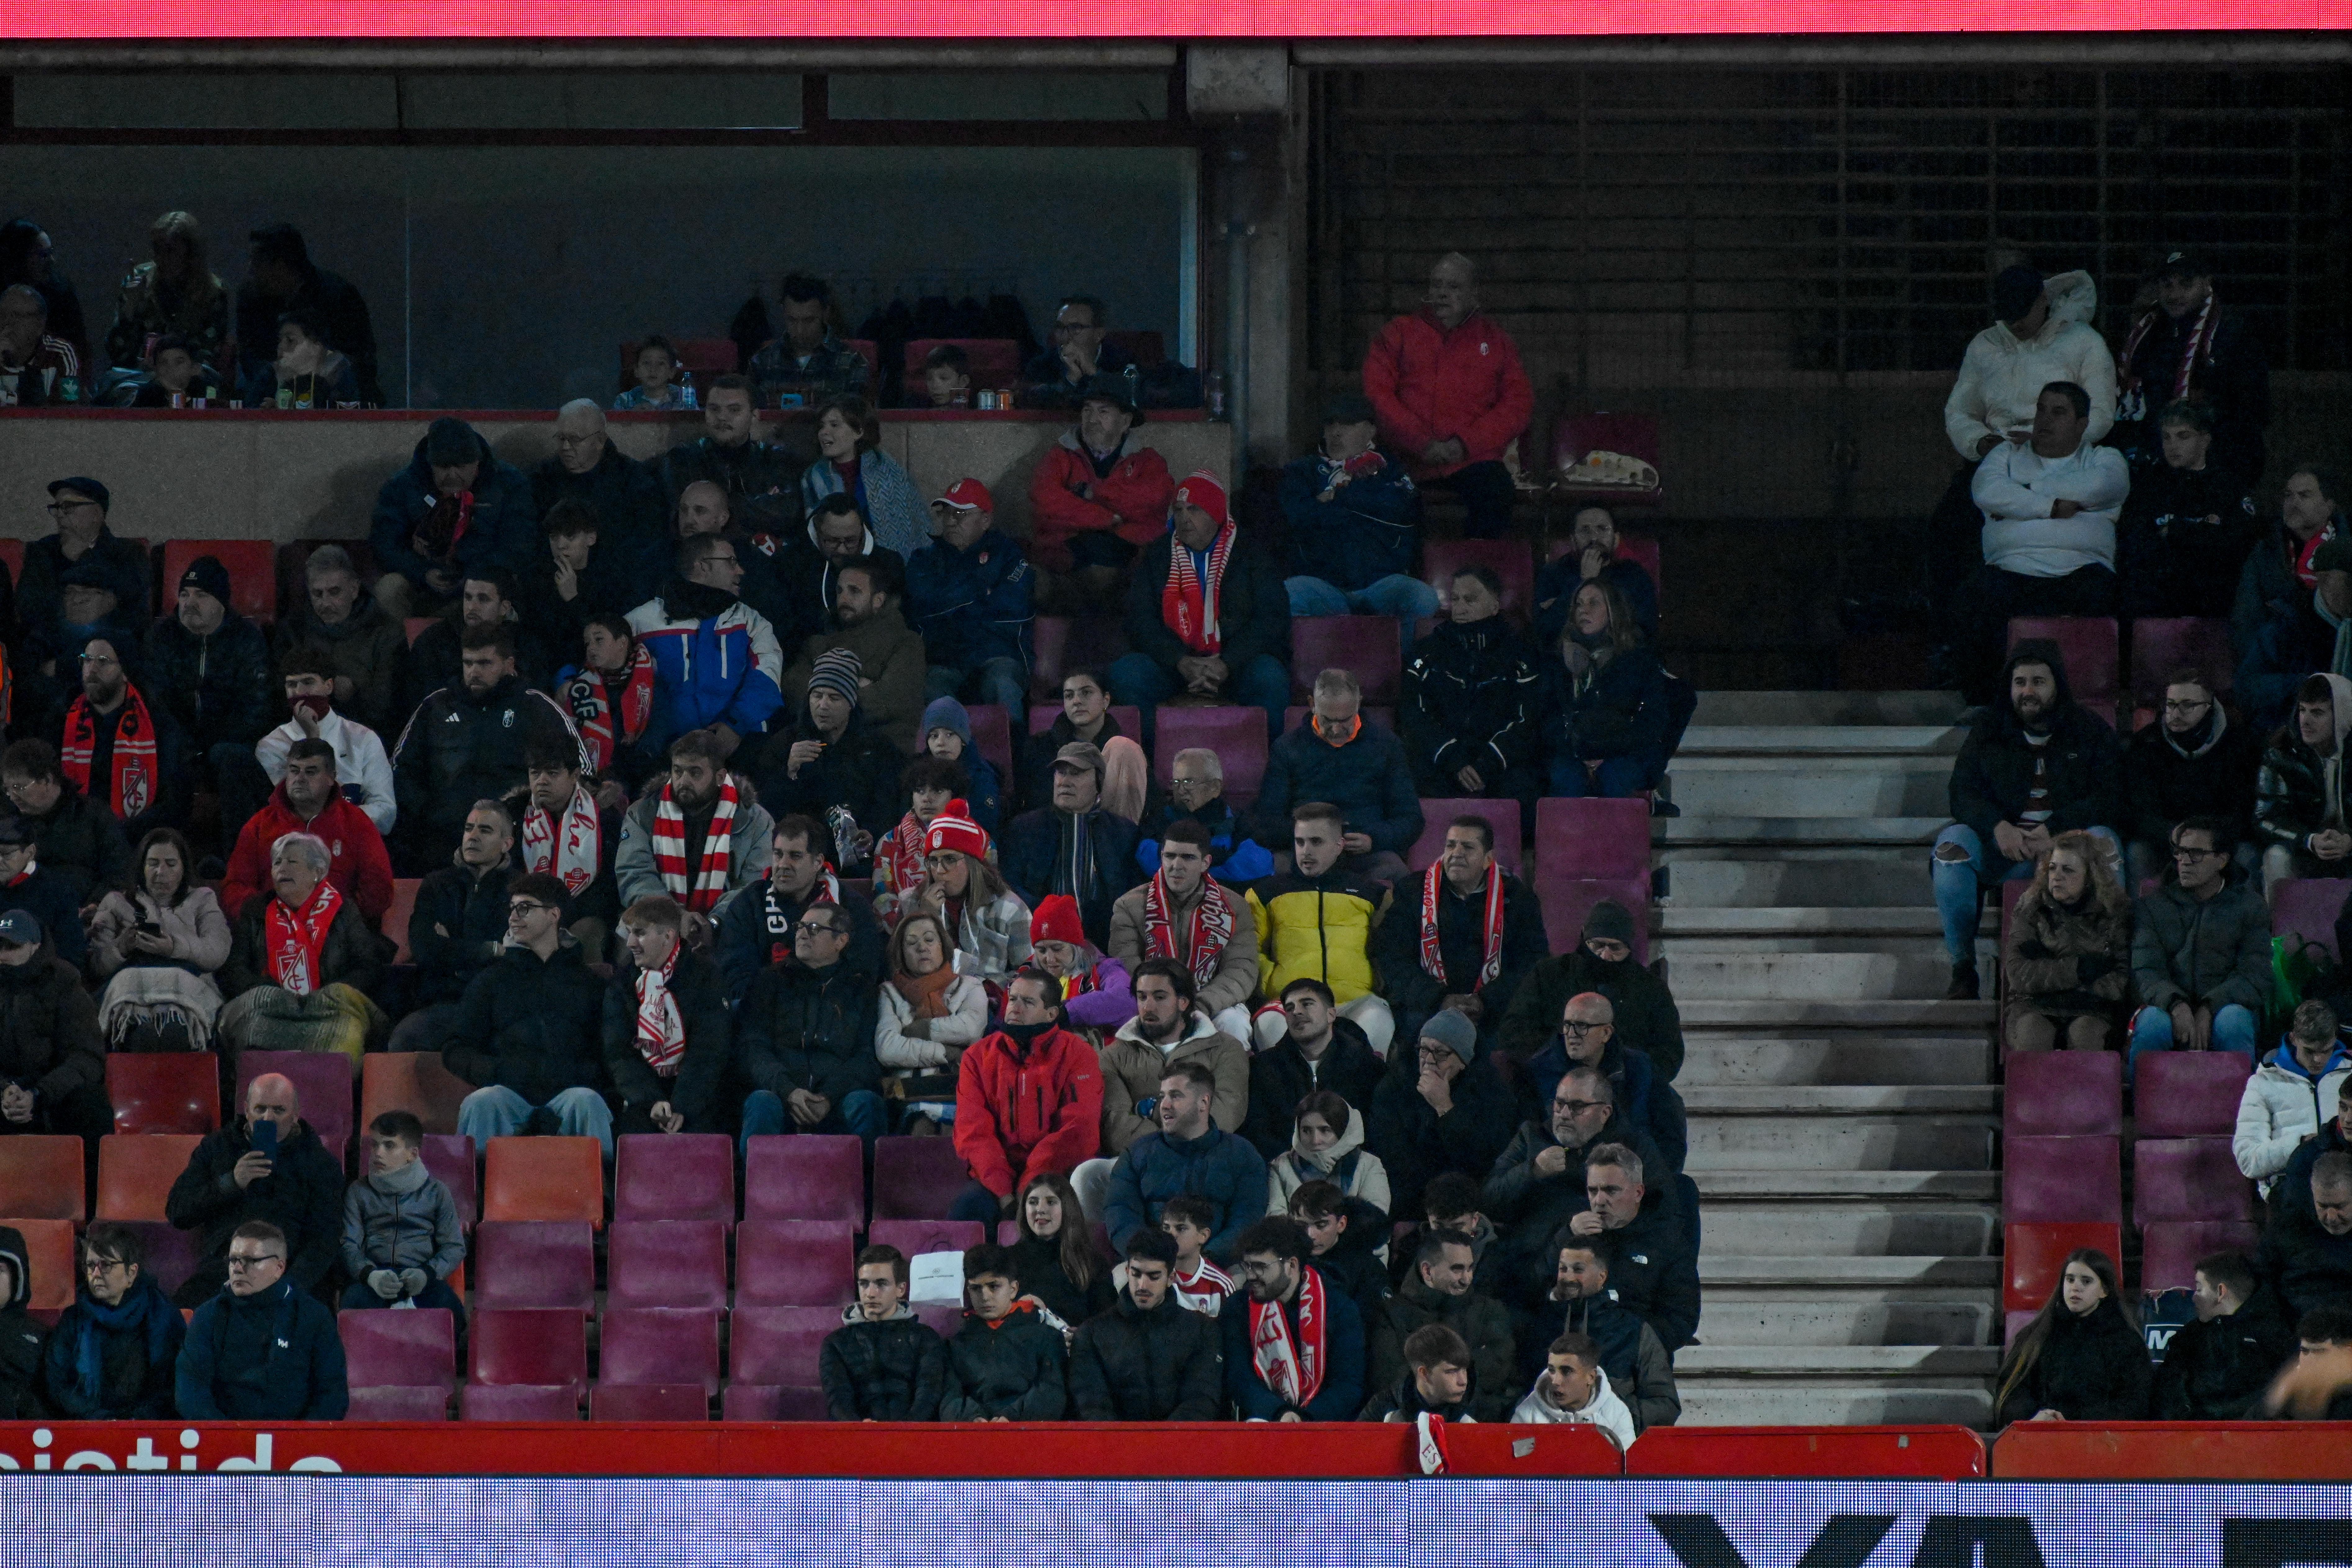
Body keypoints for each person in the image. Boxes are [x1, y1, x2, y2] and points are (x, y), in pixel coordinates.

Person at [1928, 265, 2114, 635]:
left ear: (2042, 301)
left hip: (2063, 463)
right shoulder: (1985, 345)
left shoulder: (2083, 342)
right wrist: (1981, 442)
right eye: (2007, 316)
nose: (2015, 324)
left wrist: (2049, 444)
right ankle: (1951, 642)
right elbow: (1960, 410)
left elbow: (2101, 414)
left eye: (2022, 313)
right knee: (1947, 531)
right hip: (1998, 460)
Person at [1933, 641, 2124, 1001]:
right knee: (1951, 844)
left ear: (2057, 685)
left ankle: (2111, 963)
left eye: (2038, 681)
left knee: (2104, 840)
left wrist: (2056, 832)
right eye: (2019, 682)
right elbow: (1961, 792)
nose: (2027, 691)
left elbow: (2112, 796)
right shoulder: (1988, 729)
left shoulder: (2089, 729)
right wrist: (1996, 825)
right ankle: (1962, 967)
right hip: (2003, 850)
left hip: (2068, 852)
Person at [1947, 382, 2133, 705]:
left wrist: (2022, 492)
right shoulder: (2006, 454)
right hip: (2010, 569)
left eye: (2058, 412)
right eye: (2041, 410)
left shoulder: (2103, 458)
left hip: (2080, 571)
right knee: (1972, 599)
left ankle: (2098, 704)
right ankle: (1984, 706)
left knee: (2120, 597)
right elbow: (1987, 492)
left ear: (2081, 424)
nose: (2044, 419)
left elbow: (2104, 485)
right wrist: (2050, 507)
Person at [1108, 471, 1292, 741]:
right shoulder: (1158, 555)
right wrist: (1179, 661)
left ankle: (1270, 768)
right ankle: (1145, 769)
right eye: (1178, 510)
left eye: (1193, 509)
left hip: (1237, 662)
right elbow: (1139, 619)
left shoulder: (1252, 554)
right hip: (1175, 663)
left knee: (1270, 679)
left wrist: (1227, 663)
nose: (1183, 518)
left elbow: (1272, 619)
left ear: (1216, 513)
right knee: (1128, 675)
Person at [1361, 253, 1533, 539]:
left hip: (1471, 458)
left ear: (1474, 294)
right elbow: (1377, 394)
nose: (1442, 294)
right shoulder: (1397, 334)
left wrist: (1467, 444)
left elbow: (1517, 403)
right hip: (1406, 456)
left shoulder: (1496, 341)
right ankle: (1406, 579)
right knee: (1386, 502)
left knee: (1496, 492)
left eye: (1453, 287)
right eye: (1437, 285)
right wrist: (1419, 441)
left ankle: (1476, 576)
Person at [391, 624, 586, 872]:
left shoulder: (535, 705)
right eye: (468, 663)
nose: (474, 671)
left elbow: (579, 764)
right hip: (443, 836)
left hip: (516, 837)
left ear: (508, 664)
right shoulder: (436, 706)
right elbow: (400, 766)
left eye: (485, 663)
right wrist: (429, 811)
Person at [444, 877, 612, 1155]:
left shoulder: (589, 983)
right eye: (511, 908)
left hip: (569, 1093)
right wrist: (497, 1071)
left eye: (524, 908)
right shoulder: (491, 980)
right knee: (482, 1102)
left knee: (588, 1101)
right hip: (509, 1093)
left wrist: (581, 1073)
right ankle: (476, 1197)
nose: (513, 917)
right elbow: (456, 1047)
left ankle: (601, 1196)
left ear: (554, 914)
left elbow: (609, 1050)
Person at [1482, 1063, 1669, 1299]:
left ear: (1604, 1113)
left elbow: (1662, 1208)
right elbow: (1489, 1198)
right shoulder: (1531, 1137)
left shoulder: (1634, 1147)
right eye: (1559, 1104)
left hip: (1608, 1265)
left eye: (1577, 1106)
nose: (1564, 1114)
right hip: (1532, 1271)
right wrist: (1532, 1171)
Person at [163, 1074, 342, 1306]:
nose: (268, 1118)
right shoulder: (217, 1147)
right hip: (226, 1268)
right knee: (179, 1316)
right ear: (247, 1111)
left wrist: (287, 1286)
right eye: (260, 1109)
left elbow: (324, 1240)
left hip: (288, 1271)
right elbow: (178, 1211)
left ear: (296, 1115)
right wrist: (231, 1183)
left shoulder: (319, 1162)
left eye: (279, 1110)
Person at [217, 832, 390, 1070]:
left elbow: (368, 967)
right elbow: (235, 969)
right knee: (250, 1031)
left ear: (317, 872)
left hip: (329, 1010)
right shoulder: (256, 911)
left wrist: (327, 995)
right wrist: (269, 993)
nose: (282, 868)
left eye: (292, 862)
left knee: (345, 1037)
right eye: (277, 862)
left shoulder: (344, 911)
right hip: (271, 1010)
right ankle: (261, 1102)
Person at [1280, 391, 1436, 650]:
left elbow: (1400, 509)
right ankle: (1309, 680)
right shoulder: (1302, 471)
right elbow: (1298, 517)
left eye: (1348, 424)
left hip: (1381, 584)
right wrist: (1364, 500)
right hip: (1325, 586)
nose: (1337, 433)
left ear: (1370, 430)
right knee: (1289, 593)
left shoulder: (1390, 469)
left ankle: (1403, 678)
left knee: (1423, 598)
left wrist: (1335, 496)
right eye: (1331, 424)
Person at [1377, 814, 1547, 1051]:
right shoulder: (1413, 892)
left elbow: (1532, 961)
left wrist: (1486, 1000)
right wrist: (1438, 999)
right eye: (1450, 845)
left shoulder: (1518, 898)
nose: (1456, 853)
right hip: (1426, 1008)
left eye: (1467, 847)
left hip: (1493, 1011)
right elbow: (1391, 956)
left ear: (1488, 859)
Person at [2122, 811, 2271, 1082]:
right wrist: (2176, 1004)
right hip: (2166, 1004)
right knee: (2154, 1023)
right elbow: (2145, 970)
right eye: (2180, 853)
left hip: (2226, 1005)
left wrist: (2209, 1006)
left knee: (2233, 1021)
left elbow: (2255, 974)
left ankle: (2243, 1111)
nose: (2184, 862)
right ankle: (2138, 1111)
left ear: (2222, 860)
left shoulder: (2250, 907)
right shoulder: (2153, 906)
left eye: (2196, 854)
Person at [948, 969, 1101, 1225]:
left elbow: (1078, 1129)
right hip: (996, 1178)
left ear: (1051, 1014)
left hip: (1056, 1174)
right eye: (1013, 998)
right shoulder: (977, 1057)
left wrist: (1029, 1188)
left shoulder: (1078, 1054)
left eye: (1028, 1002)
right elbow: (973, 1131)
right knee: (967, 1213)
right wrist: (1005, 1193)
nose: (1015, 1008)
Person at [1248, 803, 1397, 1055]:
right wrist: (1271, 981)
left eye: (1316, 842)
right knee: (1269, 1026)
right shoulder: (1264, 894)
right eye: (1300, 842)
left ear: (1339, 845)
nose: (1306, 851)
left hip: (1355, 1000)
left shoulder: (1374, 895)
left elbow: (1391, 950)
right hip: (1290, 1001)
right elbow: (1250, 949)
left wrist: (1376, 980)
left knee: (1379, 1022)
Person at [1253, 669, 1423, 885]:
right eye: (1327, 719)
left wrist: (1373, 839)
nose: (1335, 729)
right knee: (1272, 870)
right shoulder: (1287, 748)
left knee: (1396, 872)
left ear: (1359, 704)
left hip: (1365, 853)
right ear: (1312, 704)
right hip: (1305, 852)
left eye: (1345, 720)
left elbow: (1411, 819)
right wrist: (1311, 837)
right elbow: (1267, 819)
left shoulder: (1387, 746)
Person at [2116, 249, 2270, 486]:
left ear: (2206, 283)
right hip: (2158, 462)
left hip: (2220, 461)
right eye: (2167, 285)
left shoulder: (2233, 333)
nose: (2175, 294)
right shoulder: (2147, 333)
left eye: (2186, 284)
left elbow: (2256, 409)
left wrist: (2204, 419)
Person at [626, 533, 788, 758]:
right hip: (661, 756)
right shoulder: (640, 623)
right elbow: (603, 668)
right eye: (731, 561)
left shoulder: (751, 622)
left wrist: (735, 725)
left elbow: (767, 678)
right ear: (702, 567)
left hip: (739, 751)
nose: (740, 570)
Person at [739, 896, 886, 1144]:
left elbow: (866, 1057)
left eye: (815, 929)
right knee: (761, 1103)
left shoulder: (861, 988)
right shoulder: (769, 982)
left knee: (865, 1104)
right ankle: (752, 1183)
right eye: (800, 927)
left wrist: (828, 1097)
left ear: (841, 941)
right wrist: (788, 1091)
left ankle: (871, 1183)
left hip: (838, 1098)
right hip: (783, 1095)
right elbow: (753, 1047)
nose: (802, 934)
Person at [174, 1219, 347, 1421]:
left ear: (279, 1267)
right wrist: (230, 1438)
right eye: (233, 1259)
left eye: (251, 1260)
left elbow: (332, 1395)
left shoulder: (314, 1317)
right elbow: (190, 1392)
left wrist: (299, 1440)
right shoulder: (209, 1316)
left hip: (295, 1444)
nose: (238, 1268)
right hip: (226, 1443)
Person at [368, 415, 537, 620]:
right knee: (389, 589)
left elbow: (519, 545)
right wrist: (422, 572)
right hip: (423, 581)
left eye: (461, 466)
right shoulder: (403, 486)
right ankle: (406, 647)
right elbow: (385, 543)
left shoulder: (509, 485)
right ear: (430, 463)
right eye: (444, 467)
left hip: (483, 580)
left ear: (477, 462)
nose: (453, 475)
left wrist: (470, 576)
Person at [616, 729, 778, 944]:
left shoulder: (755, 821)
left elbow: (753, 884)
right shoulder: (642, 813)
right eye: (678, 771)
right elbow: (634, 874)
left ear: (720, 777)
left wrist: (713, 922)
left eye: (695, 773)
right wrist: (675, 916)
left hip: (727, 923)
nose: (683, 781)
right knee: (627, 937)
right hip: (656, 920)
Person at [1109, 818, 1261, 1046]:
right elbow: (1126, 966)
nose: (1176, 865)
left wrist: (1199, 1005)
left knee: (1234, 1024)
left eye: (1188, 857)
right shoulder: (1129, 905)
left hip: (1212, 1000)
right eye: (1169, 856)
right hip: (1150, 1000)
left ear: (1205, 862)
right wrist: (1163, 1001)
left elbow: (1242, 970)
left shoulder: (1234, 907)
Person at [1098, 1059, 1267, 1259]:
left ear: (1203, 1102)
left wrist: (1202, 1262)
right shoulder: (1136, 1154)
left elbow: (1247, 1220)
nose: (1164, 1106)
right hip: (1149, 1265)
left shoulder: (1242, 1155)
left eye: (1176, 1096)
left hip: (1220, 1266)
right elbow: (1121, 1214)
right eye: (1162, 1097)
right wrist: (1151, 1257)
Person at [141, 554, 275, 805]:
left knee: (232, 758)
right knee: (168, 751)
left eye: (201, 595)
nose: (189, 602)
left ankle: (237, 844)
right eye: (184, 595)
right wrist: (187, 745)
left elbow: (256, 708)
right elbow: (156, 702)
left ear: (222, 603)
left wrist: (211, 745)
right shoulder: (161, 637)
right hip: (178, 742)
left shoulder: (247, 640)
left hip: (228, 742)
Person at [1500, 899, 1683, 1082]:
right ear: (1584, 939)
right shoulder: (1549, 975)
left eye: (1615, 948)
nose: (1605, 955)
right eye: (1597, 946)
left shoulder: (1651, 990)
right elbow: (1516, 1031)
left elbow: (1669, 1052)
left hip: (1625, 1088)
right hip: (1552, 1082)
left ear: (1629, 948)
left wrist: (1624, 1073)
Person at [220, 738, 395, 927]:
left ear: (331, 777)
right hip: (271, 932)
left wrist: (337, 919)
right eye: (294, 770)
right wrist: (272, 917)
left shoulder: (357, 824)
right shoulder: (260, 825)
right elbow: (235, 888)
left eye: (311, 772)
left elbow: (379, 891)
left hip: (338, 935)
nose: (300, 779)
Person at [1515, 1234, 1680, 1434]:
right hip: (1541, 1448)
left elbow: (1664, 1401)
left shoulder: (1633, 1331)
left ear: (1602, 1277)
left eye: (1578, 1270)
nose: (1568, 1278)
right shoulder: (1536, 1326)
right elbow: (1513, 1387)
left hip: (1612, 1449)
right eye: (1563, 1269)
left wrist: (1617, 1419)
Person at [1027, 376, 1174, 599]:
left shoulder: (1148, 462)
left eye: (1103, 412)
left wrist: (1090, 494)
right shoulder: (1059, 457)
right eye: (1087, 411)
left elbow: (1150, 502)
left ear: (1125, 422)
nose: (1092, 420)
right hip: (1069, 557)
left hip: (1129, 558)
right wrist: (1107, 518)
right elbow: (1045, 502)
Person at [386, 799, 515, 1053]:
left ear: (506, 844)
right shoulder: (436, 884)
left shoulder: (519, 889)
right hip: (443, 1001)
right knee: (403, 1040)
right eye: (469, 828)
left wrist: (451, 945)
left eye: (485, 830)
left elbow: (514, 956)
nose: (473, 837)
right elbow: (425, 949)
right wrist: (491, 949)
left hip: (496, 1004)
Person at [87, 827, 231, 1053]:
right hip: (130, 996)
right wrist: (122, 947)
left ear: (184, 868)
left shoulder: (203, 899)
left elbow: (217, 952)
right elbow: (96, 965)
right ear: (141, 867)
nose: (160, 872)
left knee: (173, 1031)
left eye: (171, 864)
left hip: (186, 997)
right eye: (153, 863)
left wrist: (173, 947)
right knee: (137, 1033)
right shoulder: (115, 902)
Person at [713, 813, 884, 1004]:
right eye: (778, 854)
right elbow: (735, 977)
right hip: (765, 1018)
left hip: (833, 1018)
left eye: (795, 856)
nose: (783, 865)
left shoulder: (852, 906)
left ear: (818, 862)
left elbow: (865, 974)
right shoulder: (748, 904)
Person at [1366, 1010, 1517, 1224]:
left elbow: (1485, 1160)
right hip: (1409, 1201)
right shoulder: (1393, 1089)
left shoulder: (1492, 1095)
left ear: (1464, 1060)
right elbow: (1392, 1156)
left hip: (1468, 1200)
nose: (1428, 1060)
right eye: (1423, 1049)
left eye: (1440, 1053)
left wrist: (1445, 1108)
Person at [1404, 567, 1541, 803]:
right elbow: (1412, 713)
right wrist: (1451, 757)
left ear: (1494, 606)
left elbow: (1528, 720)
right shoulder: (1426, 652)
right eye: (1455, 599)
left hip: (1499, 764)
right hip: (1442, 761)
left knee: (1525, 786)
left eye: (1470, 599)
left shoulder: (1521, 654)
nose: (1460, 607)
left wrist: (1488, 762)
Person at [2117, 401, 2263, 620]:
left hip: (2215, 599)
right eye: (2166, 437)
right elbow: (2133, 542)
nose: (2172, 445)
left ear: (2205, 440)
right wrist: (2201, 532)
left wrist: (2174, 531)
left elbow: (2238, 545)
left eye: (2183, 436)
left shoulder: (2228, 487)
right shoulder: (2148, 486)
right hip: (2156, 599)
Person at [604, 893, 734, 1137]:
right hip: (644, 1100)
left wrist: (683, 1107)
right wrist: (651, 1101)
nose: (631, 943)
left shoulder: (706, 977)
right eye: (629, 933)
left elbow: (710, 1050)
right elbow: (619, 1053)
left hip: (697, 1100)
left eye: (640, 933)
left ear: (668, 936)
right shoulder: (622, 984)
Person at [905, 478, 1034, 724]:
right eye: (947, 513)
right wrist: (982, 591)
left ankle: (1016, 759)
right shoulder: (923, 559)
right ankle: (939, 762)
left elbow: (1012, 608)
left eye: (961, 513)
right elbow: (924, 606)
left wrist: (951, 603)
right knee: (932, 689)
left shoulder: (1010, 556)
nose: (951, 520)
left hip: (997, 654)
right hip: (945, 658)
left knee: (1002, 684)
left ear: (986, 520)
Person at [1095, 957, 1248, 1160]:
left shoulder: (1226, 1048)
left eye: (1159, 997)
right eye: (1142, 997)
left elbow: (1226, 1114)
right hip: (1141, 1160)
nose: (1148, 1007)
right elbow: (1116, 1125)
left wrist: (1151, 1110)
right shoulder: (1112, 1056)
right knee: (1087, 1173)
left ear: (1183, 1002)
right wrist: (1165, 1150)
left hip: (1206, 1158)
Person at [779, 556, 928, 758]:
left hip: (882, 754)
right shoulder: (818, 644)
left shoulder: (906, 643)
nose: (844, 599)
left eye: (854, 591)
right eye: (840, 591)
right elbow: (793, 689)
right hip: (820, 750)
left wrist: (825, 695)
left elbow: (894, 700)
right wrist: (854, 685)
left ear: (878, 600)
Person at [1066, 1228, 1224, 1419]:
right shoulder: (1091, 1334)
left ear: (1171, 1278)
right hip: (1113, 1445)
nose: (1143, 1286)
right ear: (1127, 1272)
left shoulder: (1202, 1331)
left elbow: (1200, 1400)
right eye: (1136, 1274)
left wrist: (1162, 1446)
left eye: (1154, 1277)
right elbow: (1092, 1405)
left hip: (1179, 1445)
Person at [1223, 1215, 1367, 1422]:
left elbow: (1348, 1384)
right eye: (1247, 1266)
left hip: (1323, 1424)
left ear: (1291, 1265)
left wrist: (1306, 1418)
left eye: (1260, 1267)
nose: (1251, 1276)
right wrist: (1278, 1412)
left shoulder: (1339, 1308)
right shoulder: (1238, 1308)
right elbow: (1239, 1377)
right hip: (1264, 1420)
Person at [761, 648, 905, 855]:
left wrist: (873, 833)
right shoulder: (785, 744)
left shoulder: (877, 748)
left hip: (859, 856)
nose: (823, 705)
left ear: (851, 703)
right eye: (817, 696)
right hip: (800, 855)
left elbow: (888, 803)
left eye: (834, 698)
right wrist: (790, 772)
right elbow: (767, 811)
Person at [1542, 580, 1676, 800]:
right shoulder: (1557, 661)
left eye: (1594, 603)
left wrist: (1606, 752)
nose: (1584, 610)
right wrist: (1577, 751)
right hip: (1571, 751)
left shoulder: (1637, 660)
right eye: (1578, 604)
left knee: (1616, 777)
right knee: (1564, 778)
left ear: (1613, 611)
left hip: (1623, 751)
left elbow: (1653, 717)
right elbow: (1547, 714)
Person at [2123, 672, 2259, 887]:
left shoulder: (2240, 744)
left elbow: (2243, 811)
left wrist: (2207, 840)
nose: (2176, 713)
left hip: (2220, 842)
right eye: (2170, 705)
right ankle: (2143, 920)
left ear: (2209, 706)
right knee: (2137, 853)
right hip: (2166, 840)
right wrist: (2174, 835)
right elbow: (2139, 812)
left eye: (2187, 705)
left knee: (2247, 856)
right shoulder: (2146, 744)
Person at [2004, 830, 2133, 1055]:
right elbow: (2018, 973)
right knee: (2032, 1035)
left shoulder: (2113, 911)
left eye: (2068, 870)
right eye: (2052, 868)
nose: (2056, 876)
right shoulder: (2030, 908)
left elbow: (2120, 978)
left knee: (2087, 1036)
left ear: (2090, 876)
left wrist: (2049, 966)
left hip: (2094, 1008)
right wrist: (2080, 970)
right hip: (2034, 1006)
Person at [1001, 742, 1141, 948]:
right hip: (1040, 938)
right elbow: (1009, 884)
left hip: (1104, 943)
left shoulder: (1123, 833)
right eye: (1060, 772)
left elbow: (1132, 895)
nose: (1064, 781)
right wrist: (1047, 913)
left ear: (1098, 782)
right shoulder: (1024, 828)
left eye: (1076, 773)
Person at [1366, 1227, 1515, 1421]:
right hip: (1409, 1426)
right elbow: (1389, 1377)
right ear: (1428, 1271)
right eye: (1457, 1269)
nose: (1467, 1279)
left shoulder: (1490, 1311)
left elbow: (1499, 1370)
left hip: (1478, 1423)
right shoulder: (1392, 1314)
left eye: (1470, 1268)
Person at [39, 1222, 184, 1419]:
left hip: (148, 1429)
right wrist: (99, 1418)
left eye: (106, 1265)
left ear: (131, 1272)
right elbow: (58, 1382)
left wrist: (134, 1421)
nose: (96, 1275)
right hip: (86, 1426)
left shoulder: (163, 1316)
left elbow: (172, 1383)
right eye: (91, 1266)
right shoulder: (74, 1319)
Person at [1993, 1246, 2151, 1424]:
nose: (2076, 1288)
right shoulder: (2036, 1335)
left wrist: (2073, 1421)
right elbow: (2010, 1393)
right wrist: (2034, 1418)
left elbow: (2135, 1405)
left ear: (2104, 1291)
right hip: (2041, 1439)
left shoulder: (2127, 1342)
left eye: (2086, 1282)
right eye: (2070, 1280)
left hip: (2102, 1443)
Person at [255, 647, 397, 838]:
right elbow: (299, 808)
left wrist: (337, 824)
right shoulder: (272, 746)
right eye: (292, 685)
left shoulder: (363, 738)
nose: (299, 693)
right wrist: (313, 739)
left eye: (308, 683)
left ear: (329, 687)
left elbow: (385, 810)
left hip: (354, 842)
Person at [56, 634, 187, 840]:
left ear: (125, 672)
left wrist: (119, 833)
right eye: (87, 660)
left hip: (134, 838)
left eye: (103, 662)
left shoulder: (158, 723)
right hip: (71, 836)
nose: (91, 671)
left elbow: (172, 802)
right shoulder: (61, 717)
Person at [270, 544, 409, 739]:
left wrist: (354, 696)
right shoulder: (293, 631)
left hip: (363, 738)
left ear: (354, 590)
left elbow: (391, 707)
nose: (325, 603)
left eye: (334, 592)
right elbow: (277, 695)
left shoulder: (387, 634)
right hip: (302, 736)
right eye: (317, 594)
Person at [338, 1110, 466, 1322]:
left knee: (452, 1313)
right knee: (352, 1305)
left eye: (389, 1146)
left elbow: (454, 1246)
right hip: (375, 1276)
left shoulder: (436, 1191)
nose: (378, 1153)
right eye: (375, 1144)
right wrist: (370, 1275)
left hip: (422, 1276)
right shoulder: (358, 1191)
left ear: (412, 1154)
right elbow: (348, 1244)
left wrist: (427, 1274)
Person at [529, 400, 668, 593]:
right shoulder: (541, 479)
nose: (566, 447)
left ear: (600, 441)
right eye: (561, 439)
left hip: (617, 589)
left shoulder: (635, 483)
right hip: (551, 587)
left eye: (575, 440)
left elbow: (649, 547)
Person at [0, 907, 109, 1153]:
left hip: (54, 1096)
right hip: (6, 1094)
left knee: (90, 1104)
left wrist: (39, 1094)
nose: (3, 956)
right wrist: (5, 1091)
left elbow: (87, 1057)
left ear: (35, 946)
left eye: (12, 947)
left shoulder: (64, 983)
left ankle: (92, 1190)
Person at [1242, 978, 1387, 1158]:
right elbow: (1259, 1133)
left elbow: (1380, 1133)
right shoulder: (1262, 1069)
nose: (1296, 1012)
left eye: (1307, 1004)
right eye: (1289, 1008)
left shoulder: (1368, 1068)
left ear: (1331, 1015)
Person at [236, 223, 379, 404]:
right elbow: (251, 357)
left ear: (281, 265)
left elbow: (359, 362)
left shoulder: (338, 296)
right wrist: (277, 388)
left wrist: (314, 389)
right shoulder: (252, 298)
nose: (250, 270)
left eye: (257, 262)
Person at [2153, 1250, 2297, 1420]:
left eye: (2199, 1289)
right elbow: (2167, 1391)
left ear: (2221, 1292)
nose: (2194, 1298)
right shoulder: (2188, 1338)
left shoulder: (2274, 1335)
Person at [876, 911, 988, 1127]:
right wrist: (947, 1052)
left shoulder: (970, 986)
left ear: (942, 946)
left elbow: (970, 1030)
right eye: (911, 943)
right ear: (901, 952)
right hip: (908, 1090)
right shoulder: (889, 991)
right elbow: (887, 1049)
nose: (922, 947)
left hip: (961, 1086)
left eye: (929, 939)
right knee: (923, 1125)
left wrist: (922, 1029)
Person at [400, 563, 555, 720]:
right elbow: (423, 704)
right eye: (468, 598)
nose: (472, 607)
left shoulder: (526, 643)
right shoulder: (434, 641)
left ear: (504, 608)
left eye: (483, 599)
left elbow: (539, 700)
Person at [938, 1242, 1069, 1420]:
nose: (985, 1297)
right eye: (976, 1288)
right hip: (974, 1435)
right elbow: (950, 1397)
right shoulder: (956, 1345)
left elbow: (1051, 1392)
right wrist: (972, 1418)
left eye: (994, 1286)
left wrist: (1011, 1418)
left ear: (1013, 1289)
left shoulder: (1046, 1337)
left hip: (1029, 1433)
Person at [660, 373, 802, 536]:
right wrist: (759, 504)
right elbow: (680, 521)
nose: (722, 417)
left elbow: (786, 515)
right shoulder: (683, 459)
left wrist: (715, 510)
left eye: (734, 410)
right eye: (714, 409)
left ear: (754, 416)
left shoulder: (777, 459)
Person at [906, 803, 1032, 985]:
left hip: (992, 1005)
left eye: (950, 859)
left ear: (974, 864)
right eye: (933, 861)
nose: (940, 870)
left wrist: (988, 990)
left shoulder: (1010, 908)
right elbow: (901, 969)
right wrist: (925, 919)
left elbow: (1030, 974)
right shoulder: (911, 902)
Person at [2236, 1000, 2351, 1200]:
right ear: (2294, 1039)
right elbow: (2248, 1160)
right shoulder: (2263, 1082)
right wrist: (2301, 1144)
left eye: (2326, 1051)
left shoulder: (2350, 1076)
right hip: (2289, 1194)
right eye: (2310, 1051)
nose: (2319, 1060)